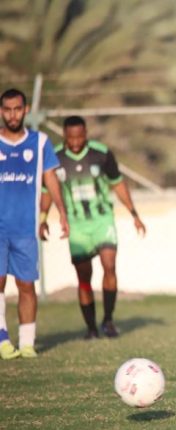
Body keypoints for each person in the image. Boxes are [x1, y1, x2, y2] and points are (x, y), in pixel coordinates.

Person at [39, 116, 146, 339]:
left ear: (86, 134)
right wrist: (43, 218)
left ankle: (108, 320)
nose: (75, 142)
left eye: (79, 137)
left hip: (102, 220)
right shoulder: (55, 158)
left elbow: (118, 184)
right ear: (64, 135)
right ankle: (91, 328)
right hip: (76, 225)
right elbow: (47, 191)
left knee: (109, 265)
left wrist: (134, 214)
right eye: (71, 138)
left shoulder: (101, 154)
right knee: (84, 277)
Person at [0, 88, 69, 359]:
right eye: (7, 110)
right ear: (1, 111)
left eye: (17, 109)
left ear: (26, 110)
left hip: (26, 228)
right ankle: (2, 340)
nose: (12, 115)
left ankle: (27, 344)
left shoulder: (40, 143)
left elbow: (50, 179)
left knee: (26, 286)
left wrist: (61, 212)